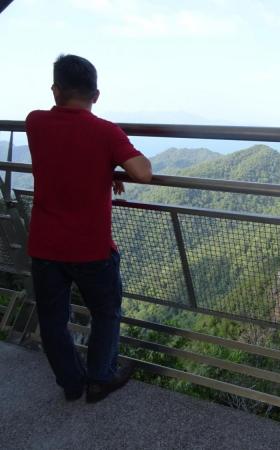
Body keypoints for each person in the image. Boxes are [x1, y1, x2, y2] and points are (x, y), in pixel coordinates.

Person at [25, 54, 152, 403]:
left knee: (52, 319)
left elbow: (64, 154)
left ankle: (70, 383)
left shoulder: (34, 122)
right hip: (91, 249)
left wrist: (103, 167)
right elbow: (143, 172)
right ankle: (99, 378)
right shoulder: (105, 132)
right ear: (96, 95)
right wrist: (110, 163)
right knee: (106, 313)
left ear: (55, 90)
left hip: (45, 245)